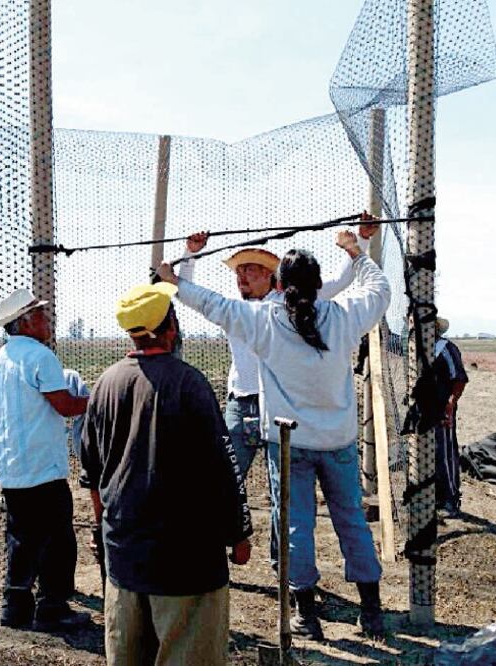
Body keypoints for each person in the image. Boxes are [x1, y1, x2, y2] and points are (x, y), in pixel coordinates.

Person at [156, 227, 390, 640]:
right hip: (338, 441)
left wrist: (175, 280)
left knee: (296, 523)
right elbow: (379, 288)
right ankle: (371, 611)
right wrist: (356, 251)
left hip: (289, 443)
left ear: (279, 284)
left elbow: (212, 304)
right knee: (351, 520)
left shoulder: (263, 320)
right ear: (319, 285)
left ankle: (305, 615)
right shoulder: (345, 315)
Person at [80, 282, 253, 665]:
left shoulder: (106, 385)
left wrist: (103, 532)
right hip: (186, 565)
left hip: (124, 561)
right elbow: (223, 468)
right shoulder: (189, 383)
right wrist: (239, 533)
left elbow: (92, 476)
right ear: (170, 326)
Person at [0, 287, 92, 632]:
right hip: (43, 468)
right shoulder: (40, 356)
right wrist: (95, 401)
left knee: (22, 536)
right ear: (27, 322)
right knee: (58, 539)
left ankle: (14, 607)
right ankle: (53, 607)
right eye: (42, 315)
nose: (48, 321)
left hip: (13, 466)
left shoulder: (2, 357)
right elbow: (64, 405)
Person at [433, 317, 469, 515]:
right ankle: (434, 496)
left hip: (441, 409)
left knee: (444, 452)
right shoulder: (414, 349)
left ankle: (450, 498)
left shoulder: (445, 348)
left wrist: (450, 403)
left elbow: (459, 379)